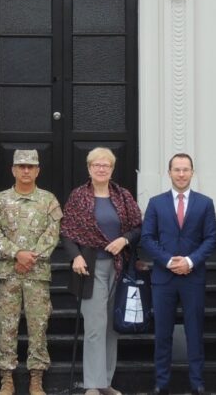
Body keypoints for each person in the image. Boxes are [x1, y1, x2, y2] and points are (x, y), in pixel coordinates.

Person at [61, 147, 143, 395]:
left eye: (106, 165)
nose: (101, 168)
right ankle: (92, 385)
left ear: (112, 168)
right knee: (96, 326)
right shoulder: (78, 197)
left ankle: (105, 381)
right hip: (90, 267)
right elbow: (67, 231)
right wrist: (75, 256)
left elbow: (138, 227)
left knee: (111, 326)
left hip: (118, 266)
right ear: (89, 168)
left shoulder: (123, 196)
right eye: (96, 164)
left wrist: (124, 240)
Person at [141, 153, 216, 395]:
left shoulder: (205, 203)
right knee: (163, 332)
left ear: (192, 172)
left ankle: (197, 383)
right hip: (163, 278)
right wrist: (167, 260)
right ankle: (161, 382)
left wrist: (189, 261)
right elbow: (147, 238)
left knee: (194, 331)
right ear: (169, 173)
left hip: (193, 277)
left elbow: (211, 238)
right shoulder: (156, 202)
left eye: (186, 170)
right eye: (177, 170)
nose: (181, 174)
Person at [0, 149, 63, 395]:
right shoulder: (0, 201)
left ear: (38, 170)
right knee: (6, 325)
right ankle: (7, 377)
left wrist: (30, 258)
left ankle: (36, 377)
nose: (26, 170)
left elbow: (52, 236)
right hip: (8, 274)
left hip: (37, 275)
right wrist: (17, 254)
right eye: (21, 166)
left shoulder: (48, 200)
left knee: (38, 326)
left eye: (30, 166)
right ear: (13, 170)